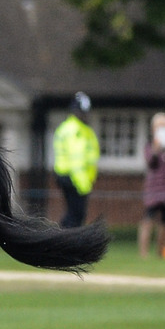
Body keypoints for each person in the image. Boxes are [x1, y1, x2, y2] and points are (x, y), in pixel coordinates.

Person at [52, 91, 100, 228]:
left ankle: (64, 237)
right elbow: (76, 160)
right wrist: (83, 184)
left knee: (74, 214)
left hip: (70, 178)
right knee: (75, 216)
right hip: (74, 179)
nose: (86, 115)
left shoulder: (74, 128)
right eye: (83, 112)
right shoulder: (75, 130)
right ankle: (65, 238)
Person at [137, 112, 165, 258]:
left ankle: (161, 251)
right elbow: (151, 163)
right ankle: (144, 252)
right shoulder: (149, 145)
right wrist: (156, 149)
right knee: (148, 218)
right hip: (154, 187)